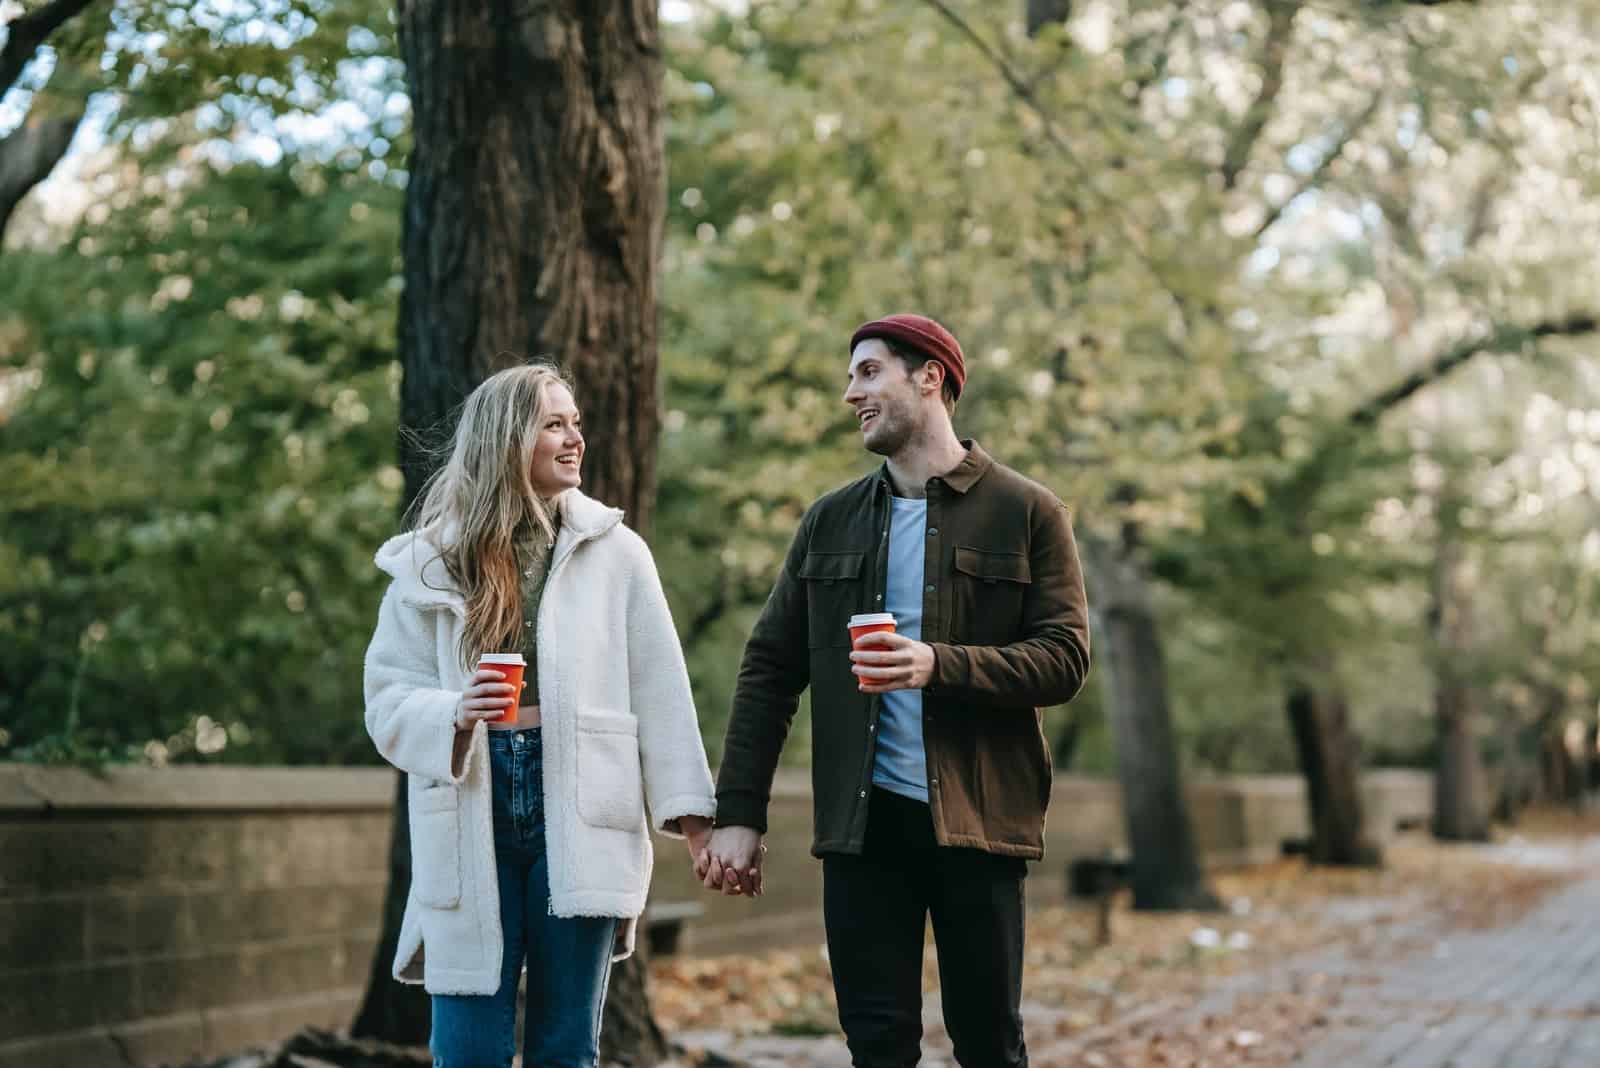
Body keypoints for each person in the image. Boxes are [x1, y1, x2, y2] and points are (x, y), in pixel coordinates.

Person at [700, 314, 1091, 1067]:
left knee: (988, 1042)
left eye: (868, 372)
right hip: (863, 828)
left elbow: (1065, 659)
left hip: (979, 820)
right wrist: (739, 814)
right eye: (851, 377)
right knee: (876, 1044)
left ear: (930, 378)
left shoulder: (1027, 511)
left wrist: (937, 664)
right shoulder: (830, 522)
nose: (852, 393)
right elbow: (769, 669)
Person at [364, 363, 716, 1068]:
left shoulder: (617, 553)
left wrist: (696, 820)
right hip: (470, 801)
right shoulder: (430, 562)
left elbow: (662, 690)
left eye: (575, 422)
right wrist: (456, 712)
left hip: (582, 800)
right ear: (505, 438)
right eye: (554, 424)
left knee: (565, 1047)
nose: (574, 438)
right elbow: (386, 697)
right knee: (465, 1051)